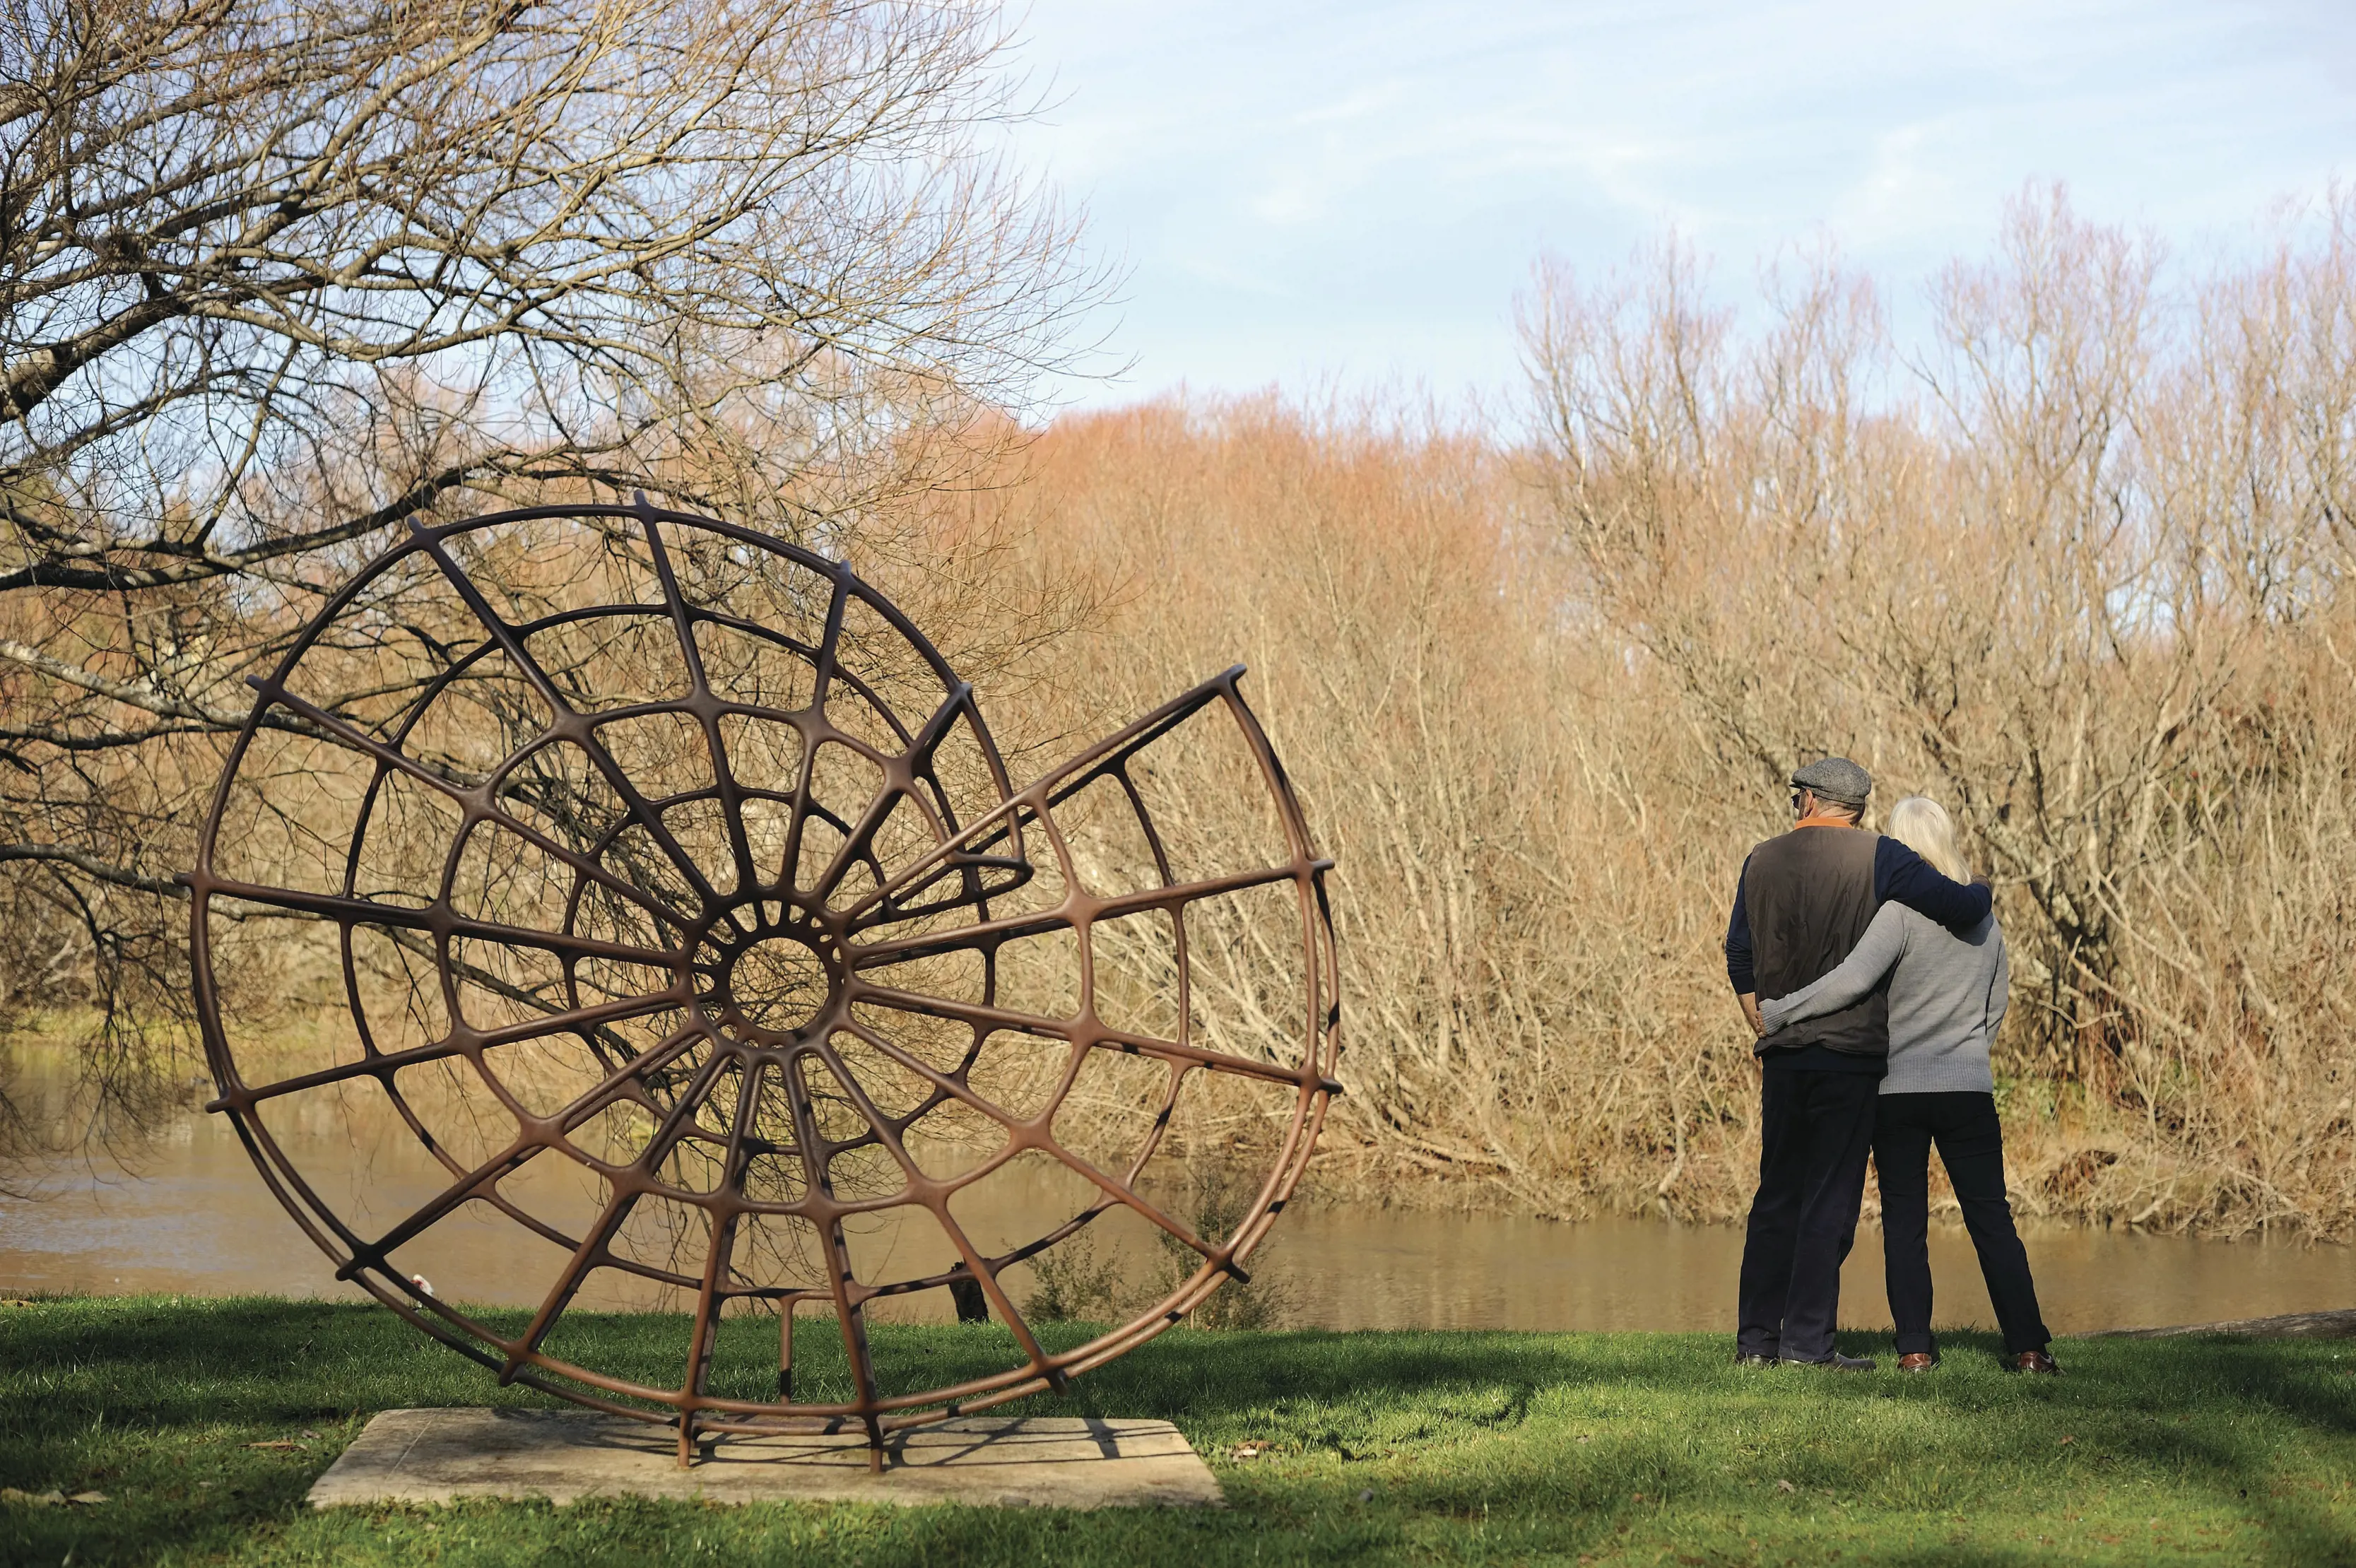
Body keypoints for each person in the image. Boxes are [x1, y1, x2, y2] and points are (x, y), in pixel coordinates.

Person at [1759, 794, 2058, 1374]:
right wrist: (1969, 1053)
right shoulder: (1984, 920)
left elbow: (1848, 983)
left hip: (1896, 1089)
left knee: (1905, 1221)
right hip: (1969, 1087)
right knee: (1991, 1217)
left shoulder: (1896, 913)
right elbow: (1997, 1004)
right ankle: (2028, 1347)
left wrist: (1781, 1010)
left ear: (1900, 845)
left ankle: (1916, 1350)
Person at [1724, 758, 1991, 1371]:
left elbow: (1739, 949)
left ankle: (1756, 1343)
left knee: (1776, 1196)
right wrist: (1983, 887)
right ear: (1861, 809)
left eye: (1797, 797)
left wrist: (1758, 1017)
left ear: (1810, 802)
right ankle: (1807, 1345)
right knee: (1830, 1199)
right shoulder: (1883, 858)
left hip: (1785, 1056)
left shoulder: (1760, 859)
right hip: (1850, 1055)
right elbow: (1958, 905)